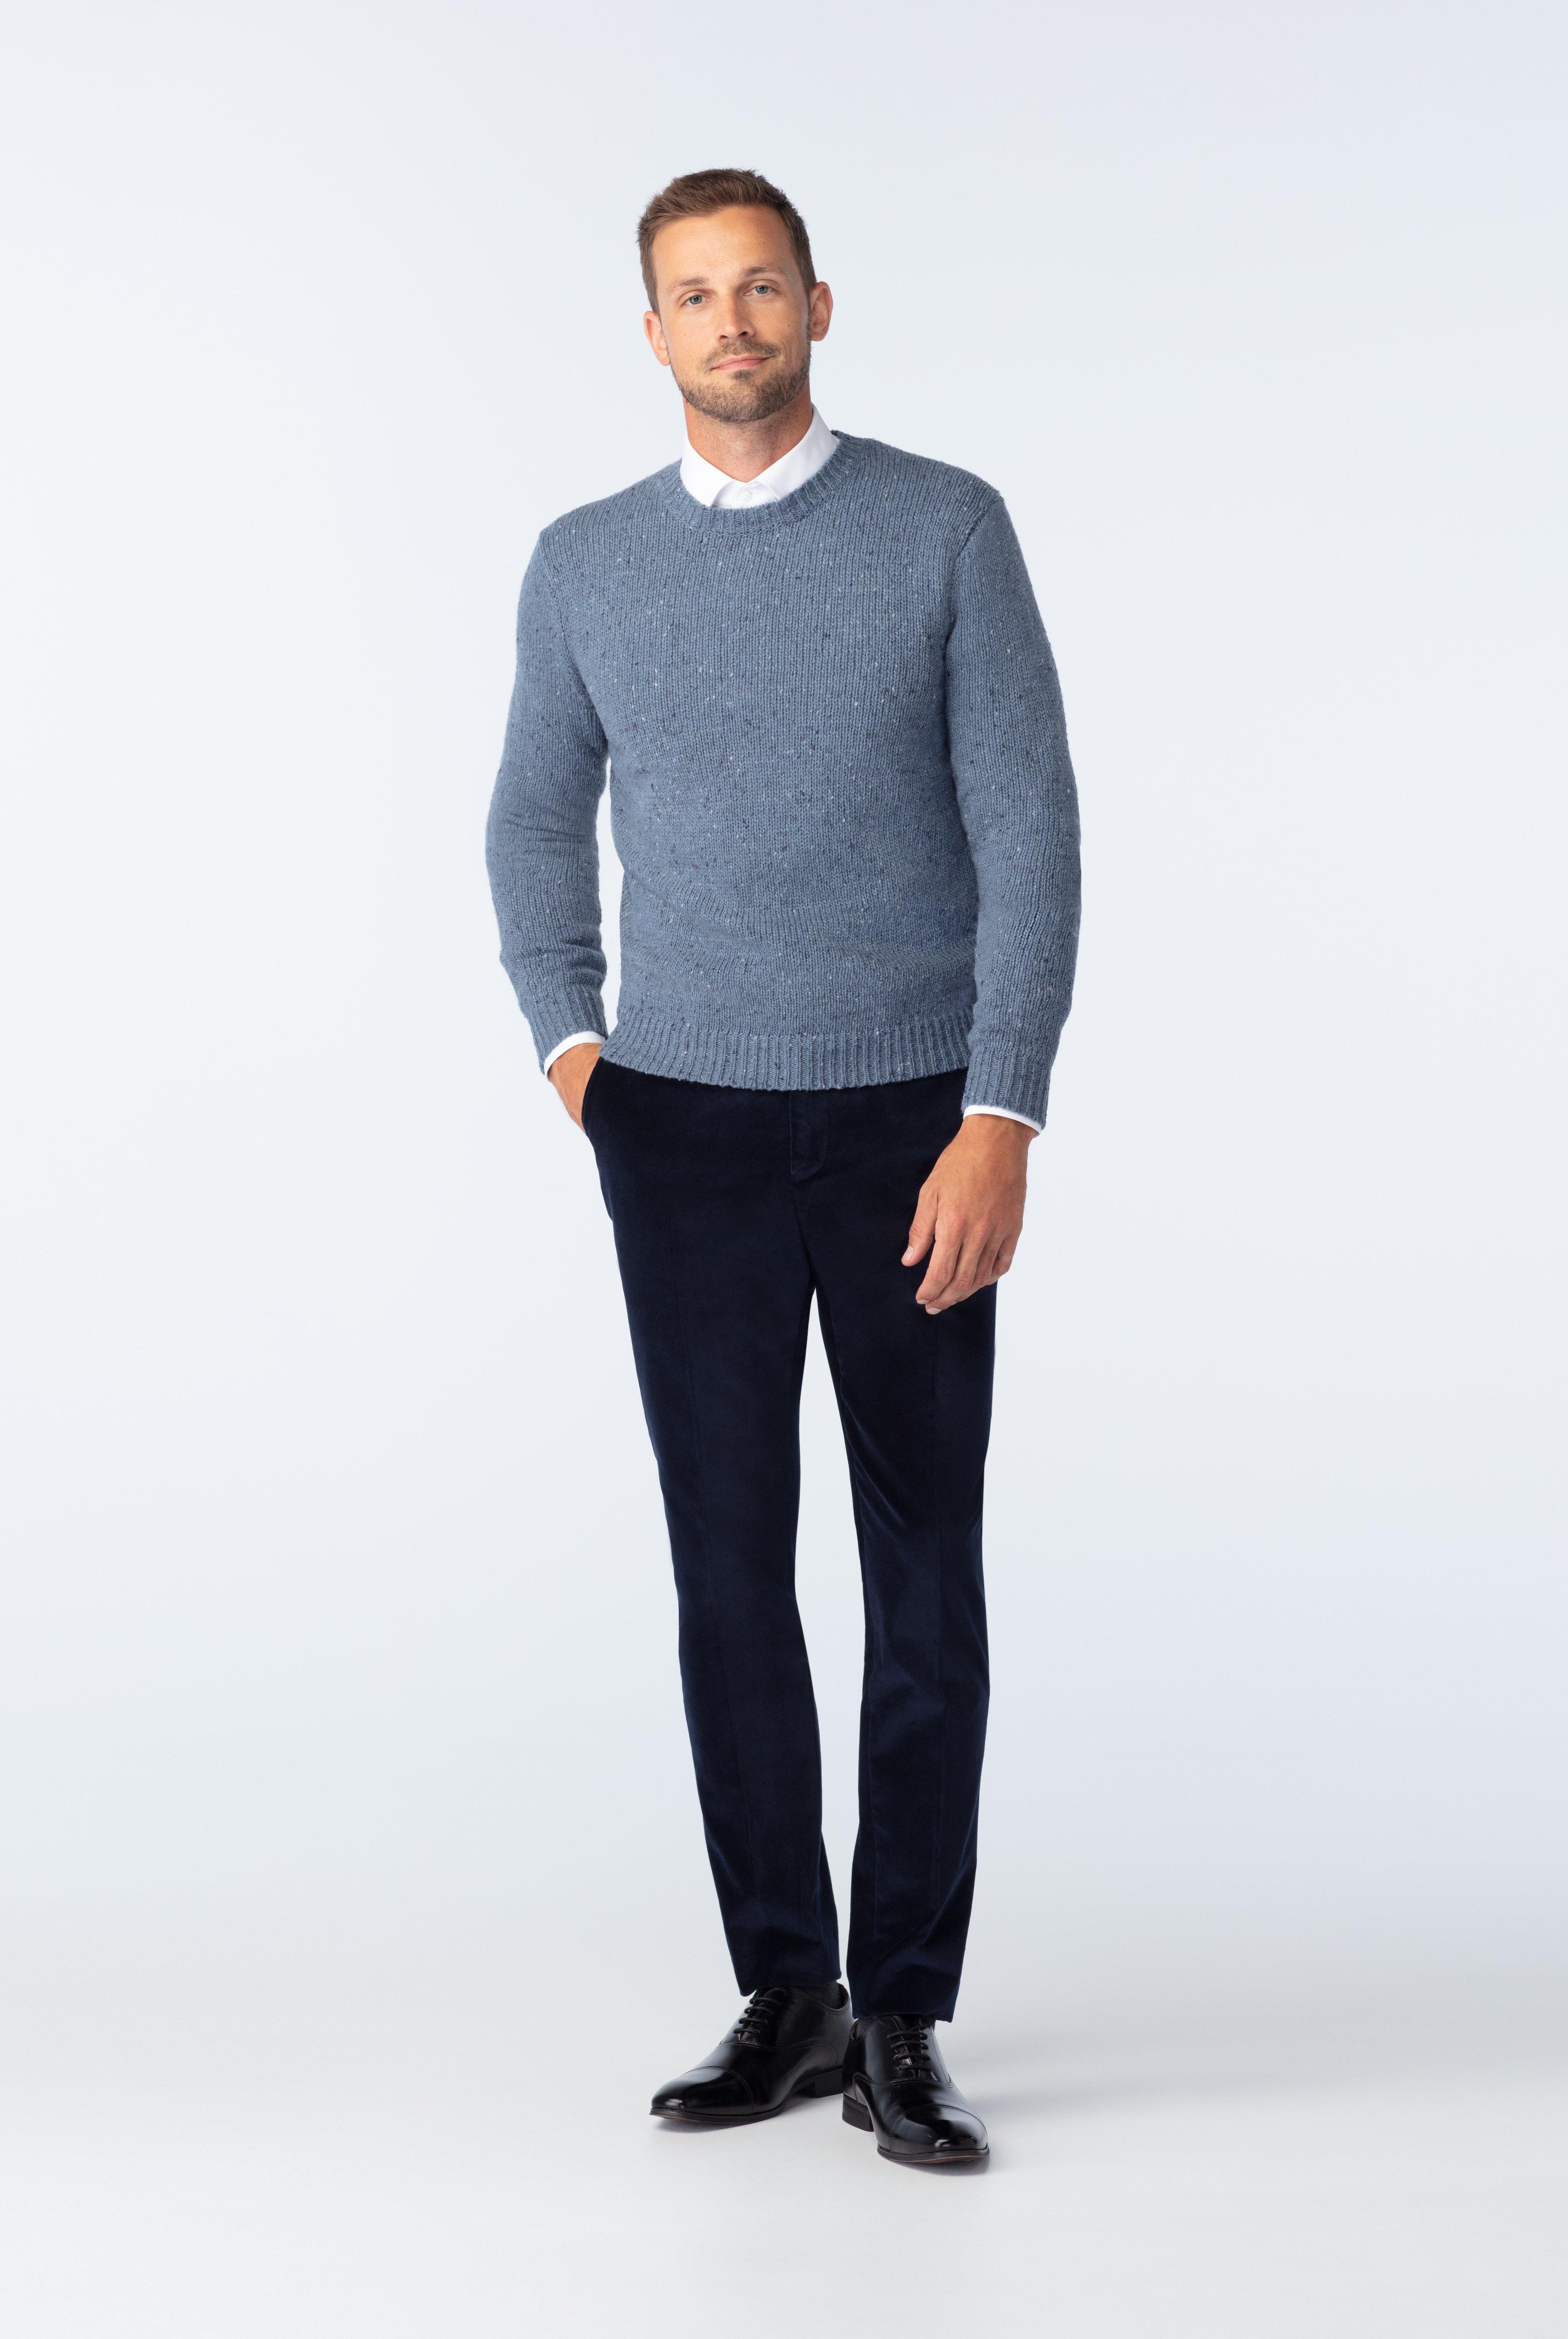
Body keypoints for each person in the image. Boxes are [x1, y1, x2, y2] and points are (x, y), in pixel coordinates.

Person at [484, 167, 1080, 2169]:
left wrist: (1001, 1110)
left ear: (819, 307)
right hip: (684, 1130)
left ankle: (902, 2006)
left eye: (759, 285)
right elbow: (530, 819)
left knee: (921, 1566)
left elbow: (1031, 828)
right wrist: (578, 1052)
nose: (729, 320)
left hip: (914, 1121)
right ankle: (788, 1985)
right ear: (649, 330)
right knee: (728, 1566)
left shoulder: (943, 527)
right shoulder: (582, 564)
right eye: (692, 293)